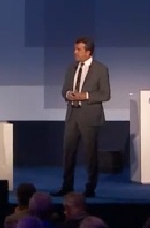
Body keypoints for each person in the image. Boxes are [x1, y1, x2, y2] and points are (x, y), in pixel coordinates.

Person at [52, 37, 111, 198]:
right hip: (72, 116)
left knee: (91, 155)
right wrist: (68, 94)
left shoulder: (100, 69)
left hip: (90, 118)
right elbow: (64, 90)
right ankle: (67, 187)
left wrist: (84, 95)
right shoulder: (71, 68)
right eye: (75, 49)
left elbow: (105, 94)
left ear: (88, 52)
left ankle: (90, 188)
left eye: (79, 49)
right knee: (68, 153)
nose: (75, 52)